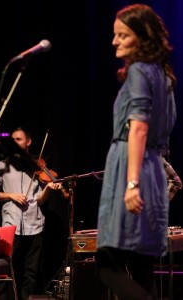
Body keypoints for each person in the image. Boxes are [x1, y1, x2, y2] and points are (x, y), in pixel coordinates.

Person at [96, 4, 177, 300]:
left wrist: (131, 184)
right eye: (115, 35)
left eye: (123, 35)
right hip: (153, 167)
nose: (114, 41)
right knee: (142, 263)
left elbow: (139, 128)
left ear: (141, 38)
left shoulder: (140, 72)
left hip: (132, 167)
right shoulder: (163, 75)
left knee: (107, 262)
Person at [0, 126, 64, 299]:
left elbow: (40, 200)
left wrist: (48, 187)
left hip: (35, 223)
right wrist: (11, 195)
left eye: (18, 139)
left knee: (31, 273)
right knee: (7, 269)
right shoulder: (3, 164)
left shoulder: (36, 166)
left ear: (28, 142)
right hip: (11, 224)